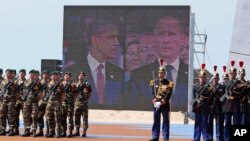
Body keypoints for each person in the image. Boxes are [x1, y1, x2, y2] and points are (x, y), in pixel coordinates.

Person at [130, 16, 188, 111]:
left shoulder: (190, 74)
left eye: (171, 34)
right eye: (161, 34)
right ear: (154, 37)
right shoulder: (138, 76)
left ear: (182, 38)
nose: (166, 40)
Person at [64, 18, 124, 109]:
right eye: (111, 37)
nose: (117, 43)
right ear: (95, 40)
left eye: (117, 38)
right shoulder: (72, 73)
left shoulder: (119, 73)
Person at [149, 62, 173, 141]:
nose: (161, 74)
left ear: (164, 73)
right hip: (156, 104)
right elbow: (153, 92)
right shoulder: (154, 82)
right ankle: (155, 137)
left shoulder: (168, 83)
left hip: (164, 105)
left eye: (162, 73)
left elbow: (169, 93)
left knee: (165, 121)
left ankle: (166, 138)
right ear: (158, 73)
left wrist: (164, 100)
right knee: (156, 121)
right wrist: (154, 99)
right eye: (159, 73)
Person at [222, 60, 243, 141]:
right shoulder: (225, 82)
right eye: (231, 73)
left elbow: (241, 93)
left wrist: (235, 97)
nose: (232, 74)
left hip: (236, 105)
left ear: (235, 73)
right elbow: (222, 93)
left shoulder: (239, 82)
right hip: (227, 106)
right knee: (227, 123)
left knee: (236, 123)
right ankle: (226, 138)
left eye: (233, 73)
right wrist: (228, 97)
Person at [192, 64, 211, 141]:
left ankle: (205, 138)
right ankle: (196, 138)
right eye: (200, 77)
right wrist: (196, 104)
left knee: (204, 124)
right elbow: (194, 97)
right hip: (198, 108)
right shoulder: (195, 86)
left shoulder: (208, 87)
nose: (202, 78)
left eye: (203, 77)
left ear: (205, 78)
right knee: (197, 124)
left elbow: (210, 97)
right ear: (199, 78)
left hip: (205, 107)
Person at [21, 69, 42, 137]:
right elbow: (21, 91)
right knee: (26, 116)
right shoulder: (25, 82)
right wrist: (23, 99)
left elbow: (41, 92)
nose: (32, 75)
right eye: (31, 73)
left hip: (34, 103)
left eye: (34, 74)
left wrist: (38, 99)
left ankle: (34, 131)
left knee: (34, 117)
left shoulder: (38, 82)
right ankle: (27, 130)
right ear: (29, 74)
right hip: (26, 102)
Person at [45, 71, 64, 138]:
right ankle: (51, 132)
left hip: (57, 103)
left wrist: (60, 103)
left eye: (56, 75)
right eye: (53, 75)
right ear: (51, 76)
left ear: (57, 76)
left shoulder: (60, 84)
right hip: (49, 103)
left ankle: (58, 132)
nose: (54, 76)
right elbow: (46, 93)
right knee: (49, 118)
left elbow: (63, 95)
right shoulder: (48, 84)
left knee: (57, 119)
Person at [207, 66, 224, 141]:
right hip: (210, 107)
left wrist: (216, 92)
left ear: (218, 79)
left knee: (218, 124)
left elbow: (222, 97)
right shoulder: (209, 87)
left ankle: (218, 138)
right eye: (214, 79)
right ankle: (210, 137)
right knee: (209, 123)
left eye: (216, 79)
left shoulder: (221, 87)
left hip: (218, 107)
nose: (215, 80)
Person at [73, 72, 92, 137]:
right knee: (76, 118)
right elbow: (74, 94)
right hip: (77, 104)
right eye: (80, 75)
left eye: (82, 75)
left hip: (84, 104)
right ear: (78, 76)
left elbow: (89, 94)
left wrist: (85, 100)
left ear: (84, 77)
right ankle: (77, 131)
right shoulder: (75, 84)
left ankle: (84, 132)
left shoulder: (87, 85)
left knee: (85, 118)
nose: (81, 76)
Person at [0, 69, 17, 136]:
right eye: (7, 73)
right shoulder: (3, 81)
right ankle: (2, 129)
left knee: (11, 116)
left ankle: (11, 130)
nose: (8, 74)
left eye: (9, 73)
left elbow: (17, 92)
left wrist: (12, 83)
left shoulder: (14, 81)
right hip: (3, 101)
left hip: (11, 101)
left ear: (11, 74)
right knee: (2, 115)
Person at [61, 72, 76, 137]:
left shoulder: (73, 85)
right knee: (63, 118)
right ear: (64, 77)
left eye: (69, 76)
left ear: (70, 77)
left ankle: (70, 132)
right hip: (63, 104)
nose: (67, 77)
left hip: (70, 103)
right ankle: (63, 131)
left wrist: (73, 101)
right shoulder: (61, 84)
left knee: (70, 117)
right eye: (66, 76)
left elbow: (76, 94)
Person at [36, 70, 50, 136]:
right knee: (39, 116)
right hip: (41, 102)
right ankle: (40, 130)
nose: (45, 75)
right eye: (44, 74)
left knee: (48, 117)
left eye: (46, 74)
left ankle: (48, 131)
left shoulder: (51, 83)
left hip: (48, 102)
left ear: (48, 75)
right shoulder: (39, 83)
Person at [14, 69, 26, 135]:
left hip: (24, 101)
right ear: (18, 74)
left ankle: (26, 130)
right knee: (15, 115)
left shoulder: (27, 82)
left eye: (23, 73)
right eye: (20, 73)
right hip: (16, 100)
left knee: (25, 116)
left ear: (25, 74)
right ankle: (16, 130)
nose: (21, 74)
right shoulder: (15, 81)